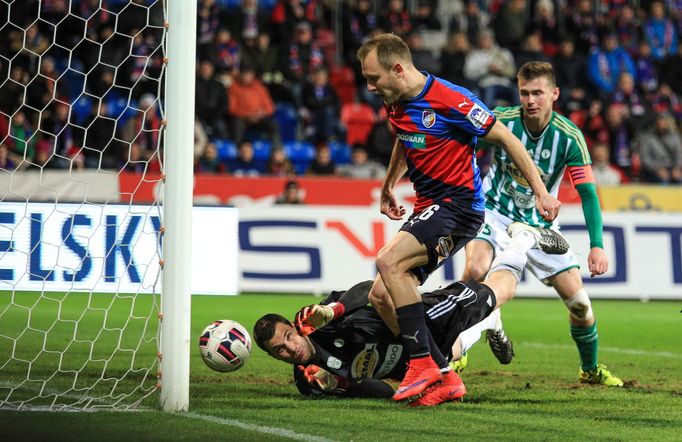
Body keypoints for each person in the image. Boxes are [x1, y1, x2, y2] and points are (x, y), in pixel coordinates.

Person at [355, 33, 561, 405]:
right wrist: (389, 185)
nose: (370, 86)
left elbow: (509, 140)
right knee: (381, 294)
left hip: (460, 206)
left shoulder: (452, 100)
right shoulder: (396, 100)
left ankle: (421, 364)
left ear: (398, 68)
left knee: (388, 261)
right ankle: (443, 374)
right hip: (429, 206)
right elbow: (405, 137)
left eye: (374, 78)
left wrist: (542, 192)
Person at [254, 224, 561, 405]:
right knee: (454, 352)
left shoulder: (317, 322)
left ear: (294, 327)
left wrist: (334, 308)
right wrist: (343, 386)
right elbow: (382, 390)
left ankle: (522, 240)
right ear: (274, 356)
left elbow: (367, 289)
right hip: (414, 362)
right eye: (280, 350)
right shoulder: (308, 382)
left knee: (500, 291)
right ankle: (491, 321)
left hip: (416, 323)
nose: (290, 348)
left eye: (289, 337)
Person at [461, 61, 623, 387]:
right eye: (524, 93)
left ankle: (589, 370)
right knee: (475, 272)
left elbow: (588, 195)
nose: (531, 100)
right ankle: (458, 351)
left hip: (541, 227)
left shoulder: (570, 138)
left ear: (555, 94)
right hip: (494, 212)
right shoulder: (502, 122)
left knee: (580, 306)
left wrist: (597, 245)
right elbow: (465, 144)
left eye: (538, 93)